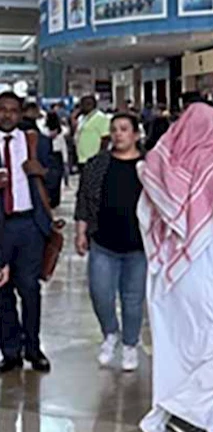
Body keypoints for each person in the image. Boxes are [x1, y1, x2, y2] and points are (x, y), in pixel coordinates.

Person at [137, 102, 213, 432]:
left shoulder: (156, 163)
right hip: (205, 263)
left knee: (177, 349)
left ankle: (177, 421)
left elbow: (144, 215)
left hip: (166, 270)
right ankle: (184, 412)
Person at [75, 113, 146, 372]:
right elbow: (84, 200)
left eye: (124, 129)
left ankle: (130, 344)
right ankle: (110, 332)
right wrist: (81, 232)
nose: (118, 134)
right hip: (103, 243)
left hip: (138, 246)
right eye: (114, 129)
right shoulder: (98, 164)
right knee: (100, 293)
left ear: (136, 134)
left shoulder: (148, 166)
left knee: (133, 299)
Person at [0, 91, 54, 373]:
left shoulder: (36, 142)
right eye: (2, 109)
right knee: (2, 290)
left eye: (12, 110)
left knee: (30, 288)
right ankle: (10, 351)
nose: (7, 115)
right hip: (2, 226)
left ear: (20, 114)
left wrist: (41, 171)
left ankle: (33, 348)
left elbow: (56, 178)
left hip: (29, 225)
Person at [74, 95, 111, 170]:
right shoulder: (82, 118)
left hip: (93, 158)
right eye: (82, 104)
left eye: (87, 104)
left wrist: (100, 156)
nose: (83, 107)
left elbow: (105, 138)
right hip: (82, 158)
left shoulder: (100, 117)